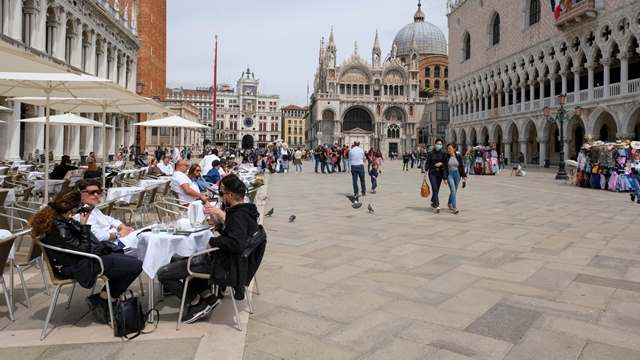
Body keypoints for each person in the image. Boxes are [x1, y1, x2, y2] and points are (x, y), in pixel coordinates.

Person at [157, 175, 259, 324]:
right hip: (230, 261)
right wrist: (219, 225)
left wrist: (212, 240)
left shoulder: (238, 216)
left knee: (163, 273)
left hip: (224, 265)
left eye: (222, 194)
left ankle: (196, 303)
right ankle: (209, 297)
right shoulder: (247, 211)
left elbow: (236, 243)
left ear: (230, 195)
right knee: (179, 259)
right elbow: (236, 236)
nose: (221, 197)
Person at [30, 190, 142, 324]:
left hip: (84, 259)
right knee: (135, 265)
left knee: (130, 261)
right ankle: (103, 300)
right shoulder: (60, 227)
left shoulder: (60, 220)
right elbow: (81, 248)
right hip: (78, 265)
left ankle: (106, 298)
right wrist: (83, 225)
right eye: (76, 207)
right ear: (70, 209)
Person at [73, 179, 136, 253]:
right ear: (81, 194)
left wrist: (123, 227)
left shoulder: (92, 208)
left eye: (98, 192)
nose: (96, 195)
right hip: (108, 247)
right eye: (92, 192)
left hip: (116, 240)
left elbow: (109, 219)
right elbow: (97, 236)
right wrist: (119, 234)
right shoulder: (81, 214)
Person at [444, 144, 467, 214]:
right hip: (449, 174)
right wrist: (444, 178)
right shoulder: (446, 156)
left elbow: (462, 166)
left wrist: (464, 176)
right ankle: (454, 207)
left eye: (450, 148)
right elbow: (445, 168)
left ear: (454, 149)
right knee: (453, 190)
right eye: (448, 148)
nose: (448, 150)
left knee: (454, 191)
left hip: (457, 174)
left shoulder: (458, 156)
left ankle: (449, 203)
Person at [426, 139, 447, 213]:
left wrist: (441, 164)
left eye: (440, 144)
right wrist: (425, 171)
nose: (439, 145)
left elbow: (445, 164)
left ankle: (433, 200)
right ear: (435, 144)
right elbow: (427, 164)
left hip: (440, 173)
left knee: (437, 189)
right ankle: (437, 205)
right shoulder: (430, 153)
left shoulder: (444, 153)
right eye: (438, 144)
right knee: (434, 188)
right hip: (432, 173)